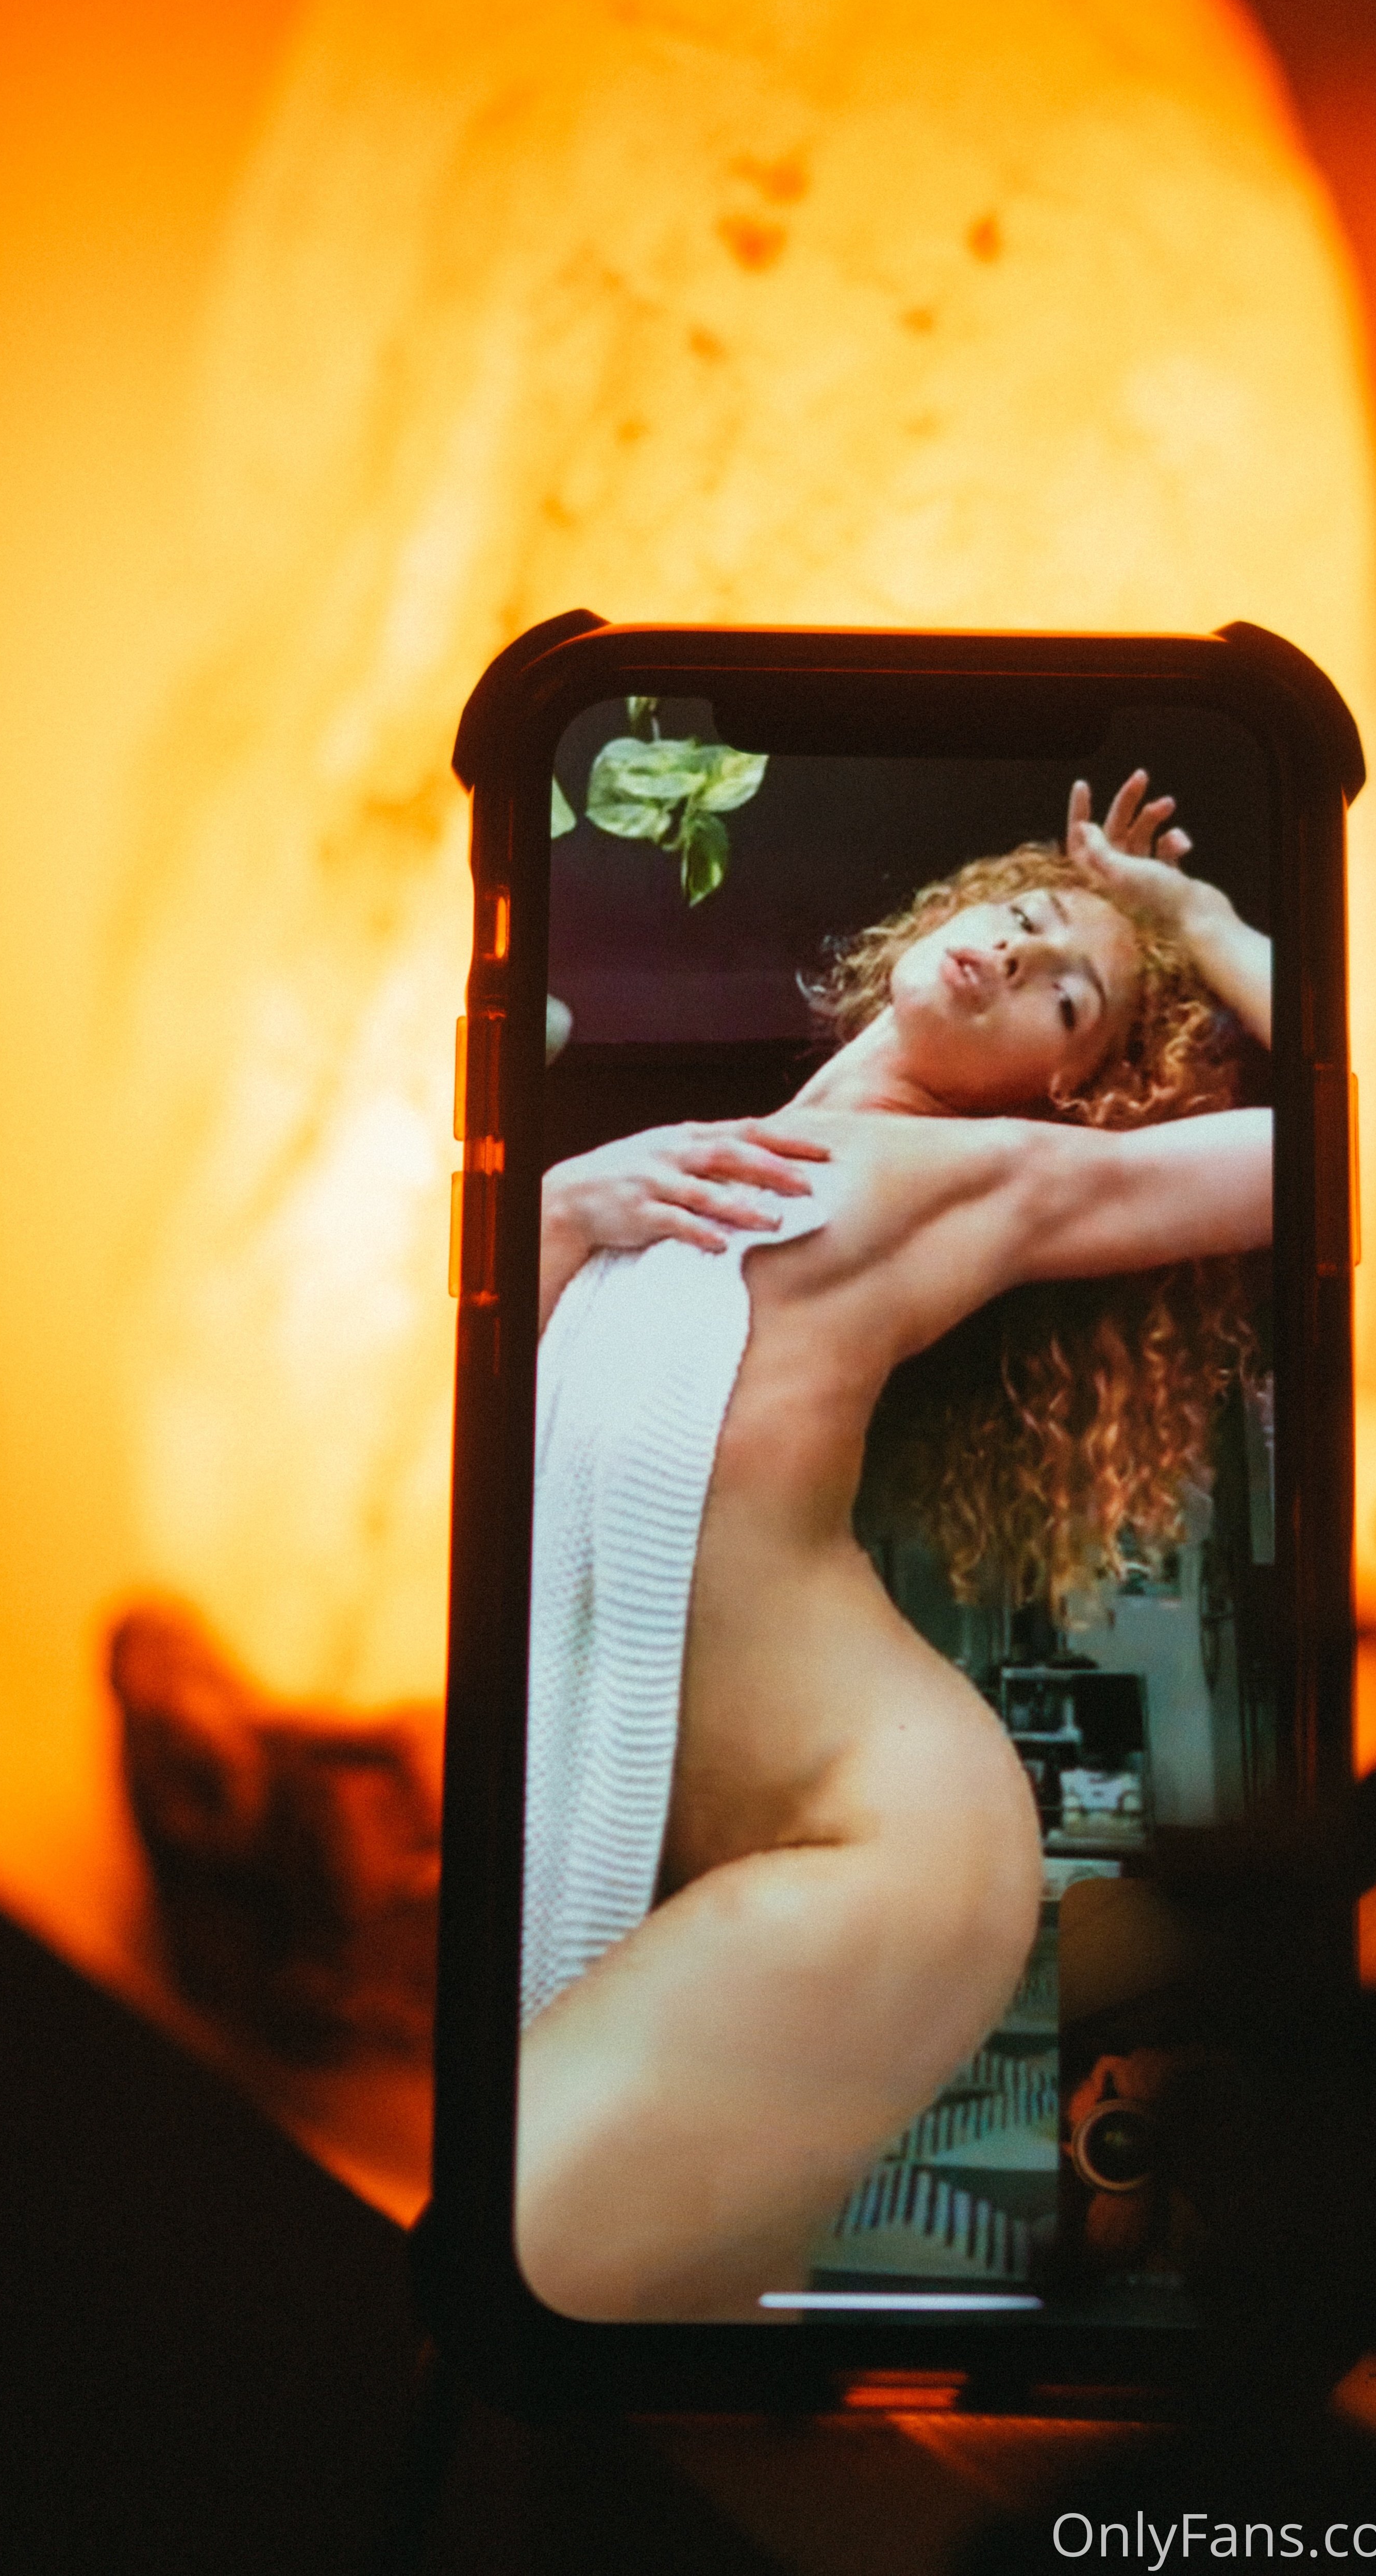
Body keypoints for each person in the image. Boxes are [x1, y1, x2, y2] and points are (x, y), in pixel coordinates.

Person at [517, 775, 1272, 2320]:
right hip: (726, 1852)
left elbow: (1326, 1150)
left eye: (1069, 997)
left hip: (885, 1848)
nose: (1021, 952)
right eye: (1023, 916)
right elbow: (492, 1428)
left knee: (511, 2251)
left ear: (1063, 1091)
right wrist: (553, 1205)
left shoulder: (979, 1179)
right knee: (663, 2356)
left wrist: (1198, 920)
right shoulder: (685, 1166)